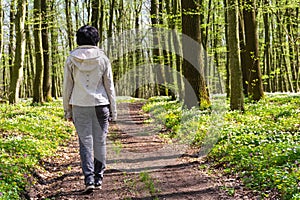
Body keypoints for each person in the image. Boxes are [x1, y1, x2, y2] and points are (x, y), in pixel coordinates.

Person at [63, 25, 117, 193]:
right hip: (101, 105)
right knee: (100, 142)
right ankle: (99, 178)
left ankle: (89, 180)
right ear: (96, 39)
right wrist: (113, 110)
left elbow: (67, 87)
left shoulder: (71, 59)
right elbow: (110, 87)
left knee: (85, 143)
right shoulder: (103, 59)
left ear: (78, 39)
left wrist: (67, 110)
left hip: (79, 105)